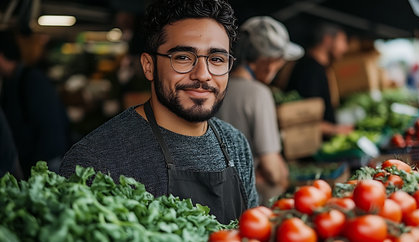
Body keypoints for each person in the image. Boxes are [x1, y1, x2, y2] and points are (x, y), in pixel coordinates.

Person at [59, 0, 258, 224]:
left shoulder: (236, 144)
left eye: (217, 59)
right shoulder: (95, 160)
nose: (203, 74)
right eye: (183, 57)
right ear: (149, 66)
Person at [216, 16, 303, 205]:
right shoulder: (259, 94)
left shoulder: (217, 87)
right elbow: (271, 168)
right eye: (281, 61)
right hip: (251, 198)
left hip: (219, 194)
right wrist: (283, 181)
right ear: (268, 61)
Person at [0, 30, 69, 178]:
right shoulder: (12, 81)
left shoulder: (31, 79)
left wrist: (38, 168)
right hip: (34, 163)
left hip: (46, 163)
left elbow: (50, 126)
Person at [285, 22, 354, 137]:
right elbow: (303, 115)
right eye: (343, 41)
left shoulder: (320, 68)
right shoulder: (309, 70)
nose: (345, 48)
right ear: (328, 40)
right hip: (311, 147)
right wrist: (335, 130)